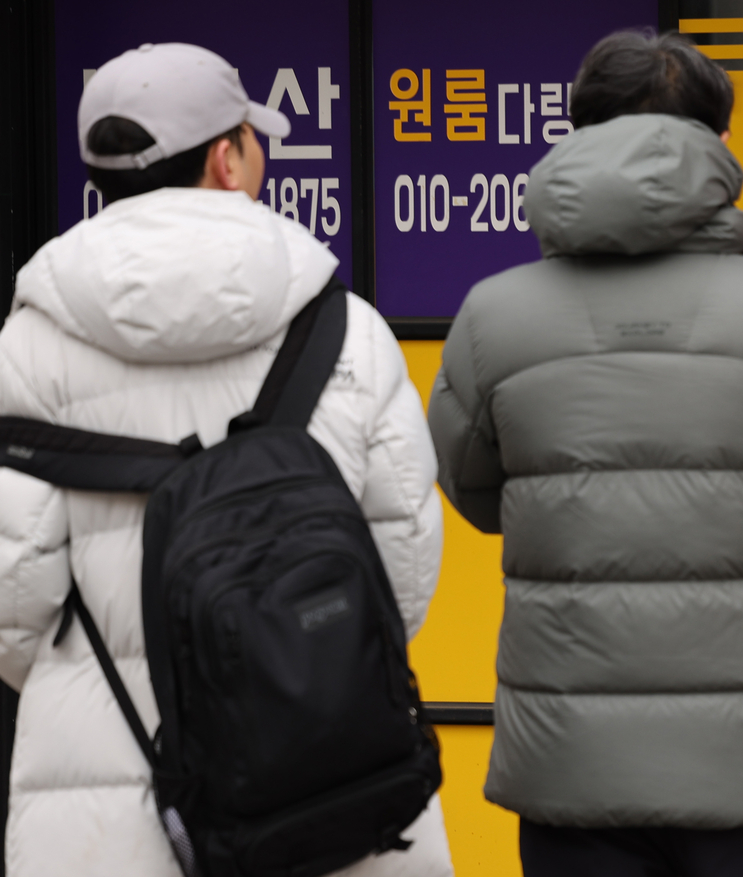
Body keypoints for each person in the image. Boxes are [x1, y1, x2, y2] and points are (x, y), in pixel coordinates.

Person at [428, 31, 743, 877]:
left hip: (573, 774)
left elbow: (477, 500)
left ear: (575, 137)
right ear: (720, 148)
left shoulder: (490, 317)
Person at [0, 43, 452, 876]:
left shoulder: (29, 342)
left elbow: (11, 600)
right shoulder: (342, 323)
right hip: (326, 785)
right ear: (226, 156)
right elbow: (400, 569)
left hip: (107, 799)